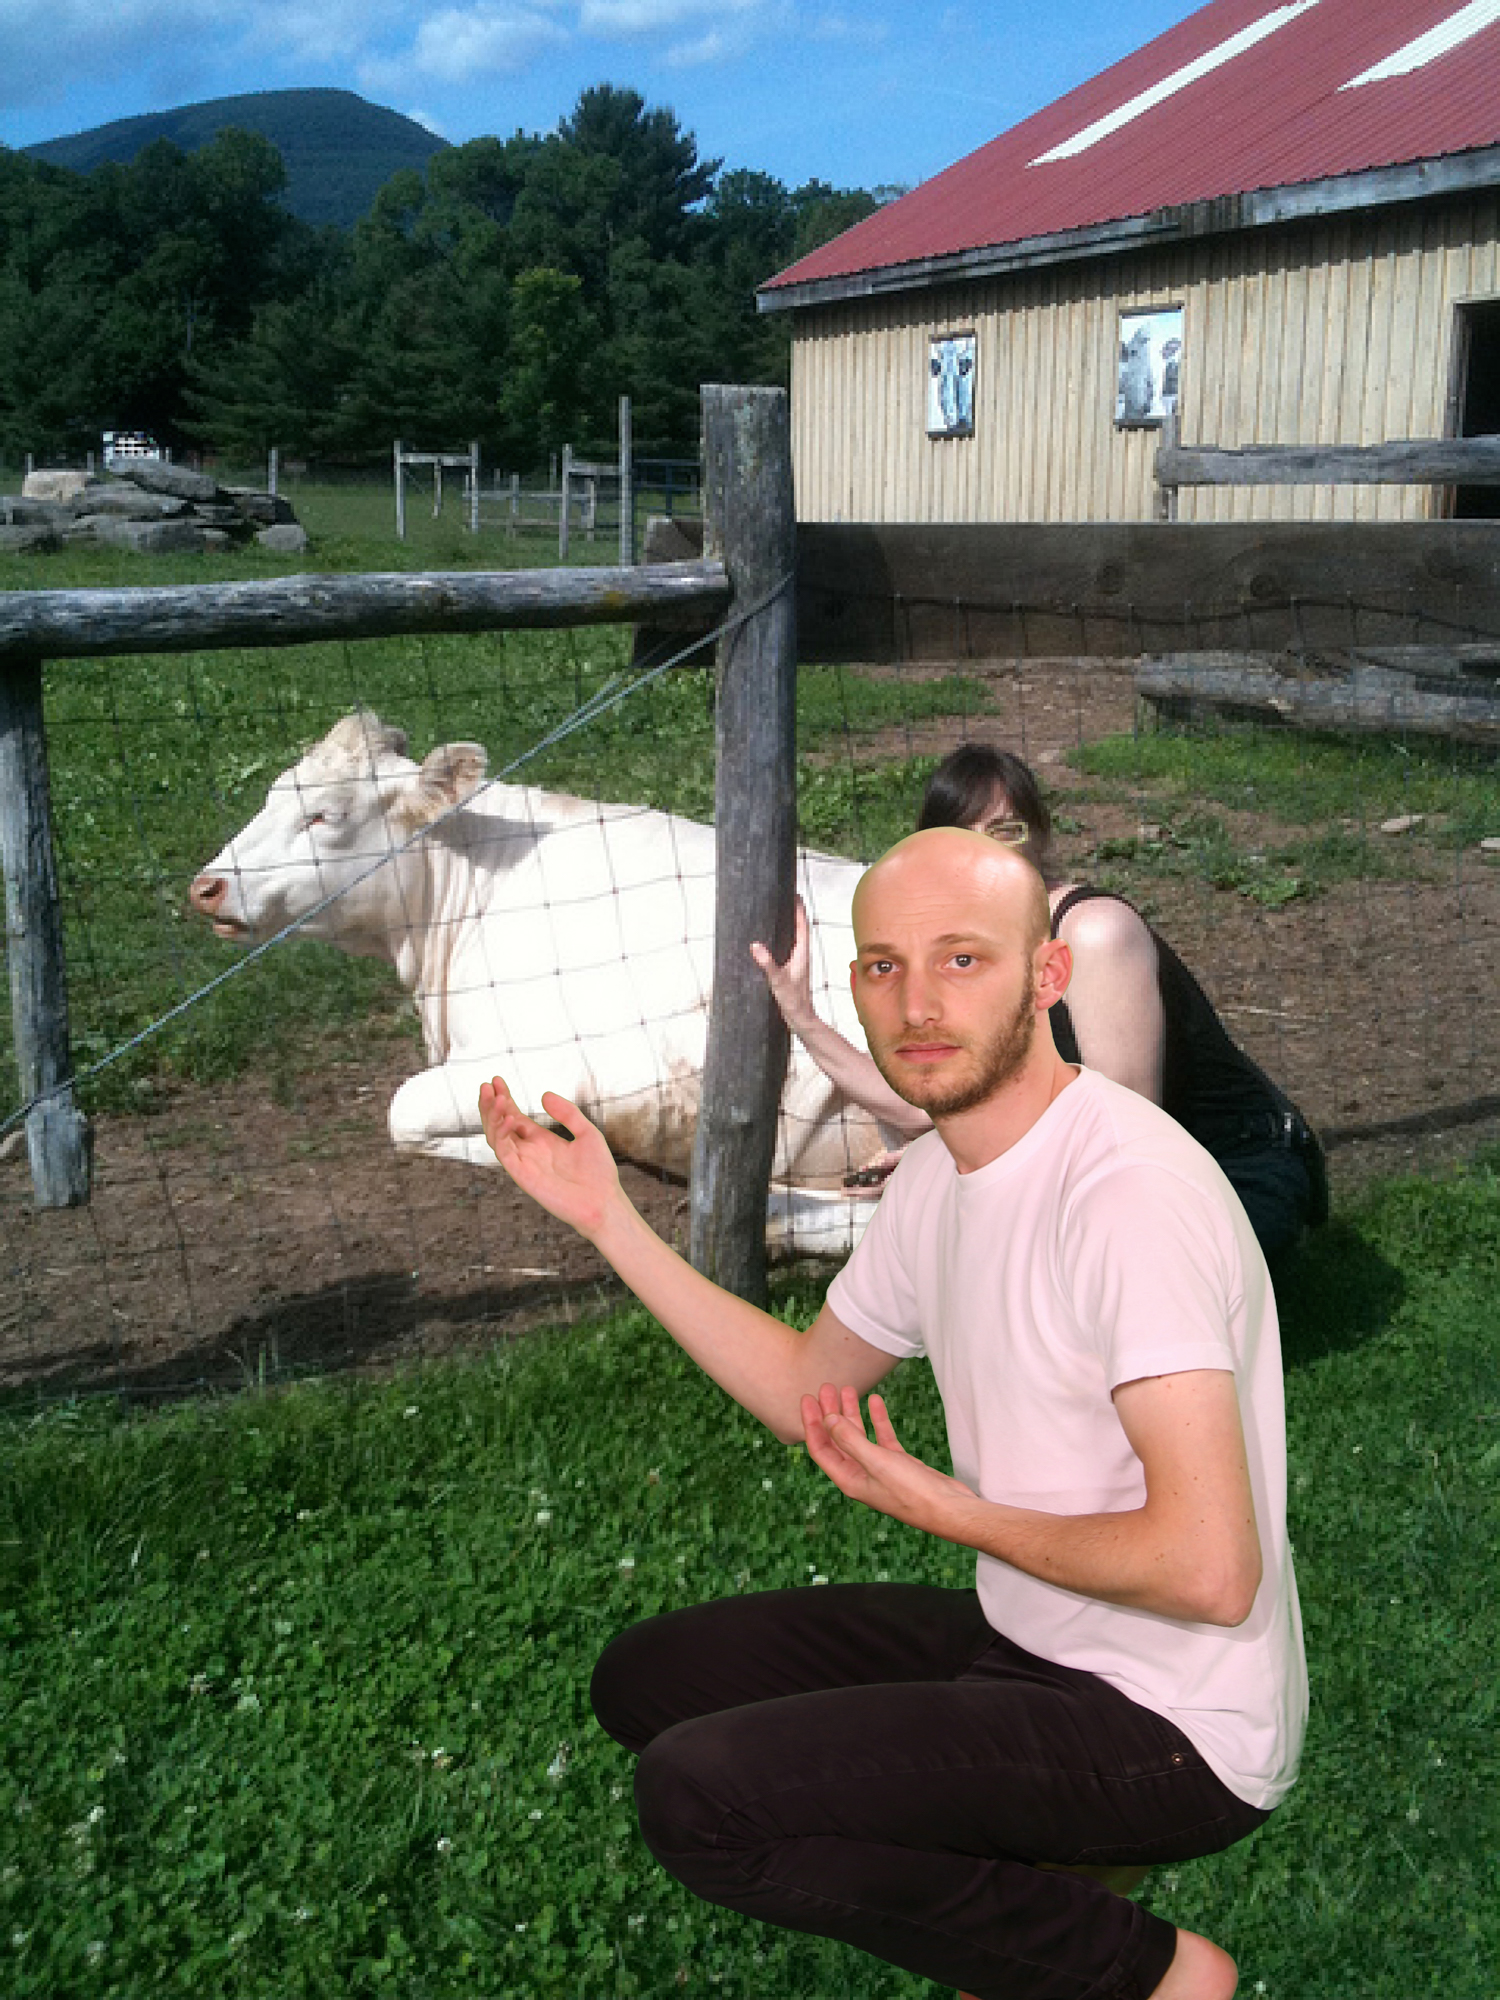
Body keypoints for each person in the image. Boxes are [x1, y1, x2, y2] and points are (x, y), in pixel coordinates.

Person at [478, 828, 1306, 2000]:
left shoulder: (1127, 1194)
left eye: (963, 959)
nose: (918, 1002)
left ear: (1049, 977)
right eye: (883, 965)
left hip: (1177, 1724)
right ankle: (1044, 1899)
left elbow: (1210, 1568)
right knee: (646, 1680)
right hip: (1036, 1639)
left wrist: (960, 1513)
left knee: (701, 1797)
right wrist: (608, 1216)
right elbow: (802, 1382)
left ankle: (1150, 1973)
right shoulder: (938, 1179)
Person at [752, 743, 1327, 1262]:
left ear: (1042, 837)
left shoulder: (1093, 932)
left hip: (1233, 1168)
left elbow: (1123, 1131)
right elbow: (924, 1108)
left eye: (1007, 832)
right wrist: (799, 1013)